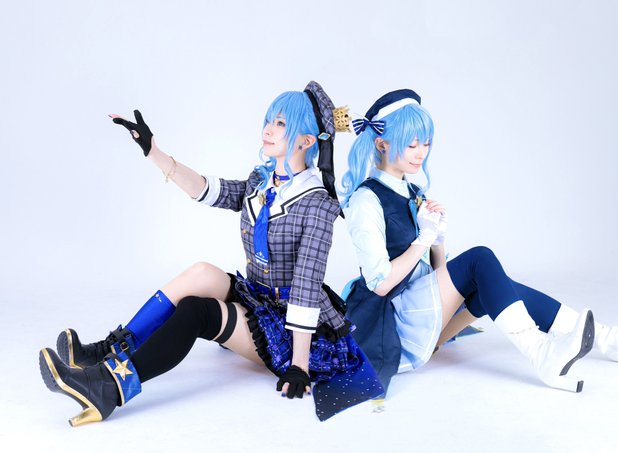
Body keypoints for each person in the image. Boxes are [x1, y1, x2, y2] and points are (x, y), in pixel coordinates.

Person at [38, 81, 383, 427]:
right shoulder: (261, 182)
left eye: (281, 123)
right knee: (201, 272)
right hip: (259, 297)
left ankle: (107, 388)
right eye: (269, 119)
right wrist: (154, 152)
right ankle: (106, 352)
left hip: (293, 331)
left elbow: (307, 286)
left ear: (306, 141)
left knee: (197, 312)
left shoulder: (318, 204)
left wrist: (299, 366)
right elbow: (209, 190)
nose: (268, 129)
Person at [340, 89, 618, 393]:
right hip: (393, 322)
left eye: (426, 143)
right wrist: (423, 238)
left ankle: (610, 340)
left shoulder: (412, 192)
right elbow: (380, 284)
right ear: (381, 143)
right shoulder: (367, 199)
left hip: (422, 311)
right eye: (411, 145)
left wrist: (437, 239)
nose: (421, 153)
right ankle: (542, 354)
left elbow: (436, 274)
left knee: (495, 283)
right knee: (480, 259)